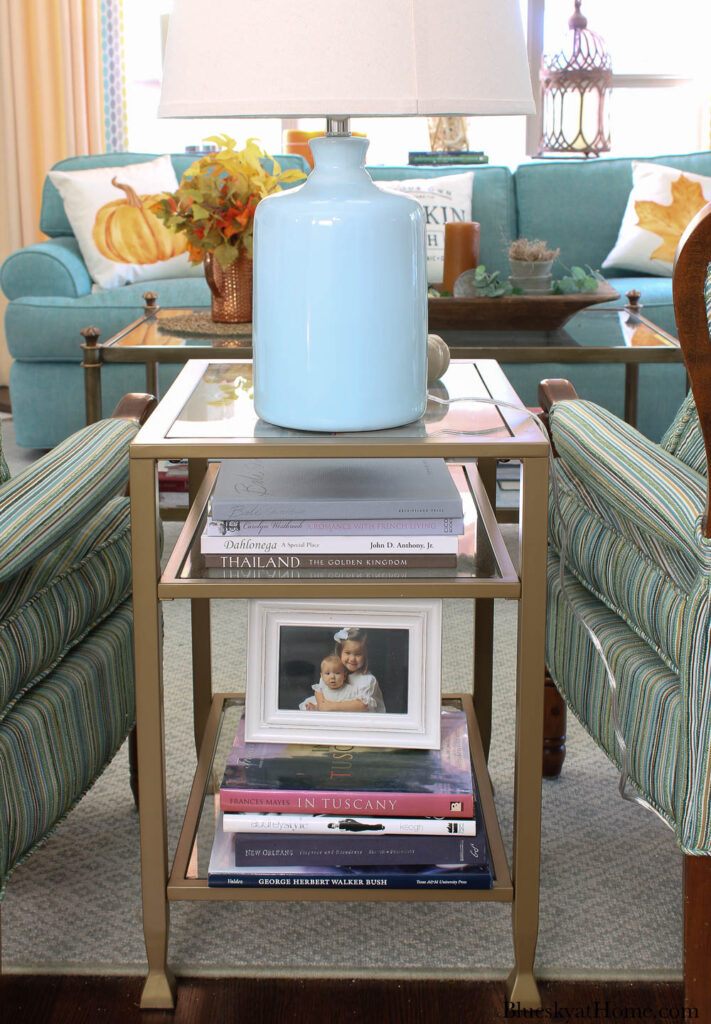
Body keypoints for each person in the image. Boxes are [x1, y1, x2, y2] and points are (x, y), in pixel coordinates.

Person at [298, 647, 385, 712]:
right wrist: (317, 707)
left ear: (344, 675)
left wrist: (328, 707)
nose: (332, 677)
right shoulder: (324, 685)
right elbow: (319, 697)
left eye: (337, 673)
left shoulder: (352, 689)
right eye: (327, 674)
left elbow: (358, 706)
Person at [333, 627, 386, 713]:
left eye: (358, 654)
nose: (352, 659)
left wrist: (329, 706)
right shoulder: (337, 674)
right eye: (347, 653)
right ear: (340, 652)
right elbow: (321, 688)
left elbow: (362, 706)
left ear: (365, 656)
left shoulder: (367, 680)